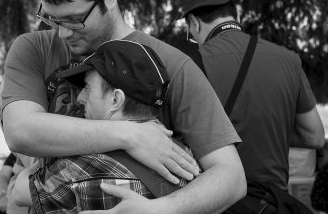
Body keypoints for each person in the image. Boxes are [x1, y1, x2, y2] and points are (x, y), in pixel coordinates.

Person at [0, 0, 246, 213]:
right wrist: (131, 135)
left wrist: (161, 209)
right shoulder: (32, 48)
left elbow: (230, 177)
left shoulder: (173, 66)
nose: (62, 32)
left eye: (74, 19)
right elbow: (20, 130)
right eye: (50, 17)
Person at [177, 0, 325, 213]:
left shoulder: (190, 65)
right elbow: (315, 136)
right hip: (272, 203)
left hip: (217, 203)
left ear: (193, 23)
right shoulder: (289, 60)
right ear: (235, 15)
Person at [11, 40, 200, 212]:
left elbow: (19, 192)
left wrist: (35, 160)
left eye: (87, 88)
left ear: (116, 99)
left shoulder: (76, 168)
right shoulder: (185, 158)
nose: (79, 98)